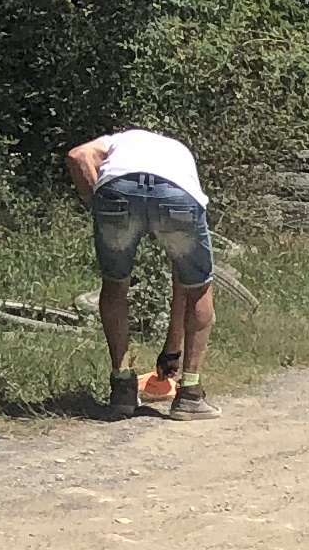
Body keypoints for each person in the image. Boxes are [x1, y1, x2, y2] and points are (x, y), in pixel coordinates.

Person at [63, 125, 218, 417]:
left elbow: (78, 156)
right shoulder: (178, 150)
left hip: (117, 191)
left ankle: (122, 390)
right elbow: (184, 282)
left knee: (115, 284)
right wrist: (173, 348)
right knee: (198, 286)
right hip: (177, 193)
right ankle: (190, 395)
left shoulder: (114, 141)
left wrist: (97, 208)